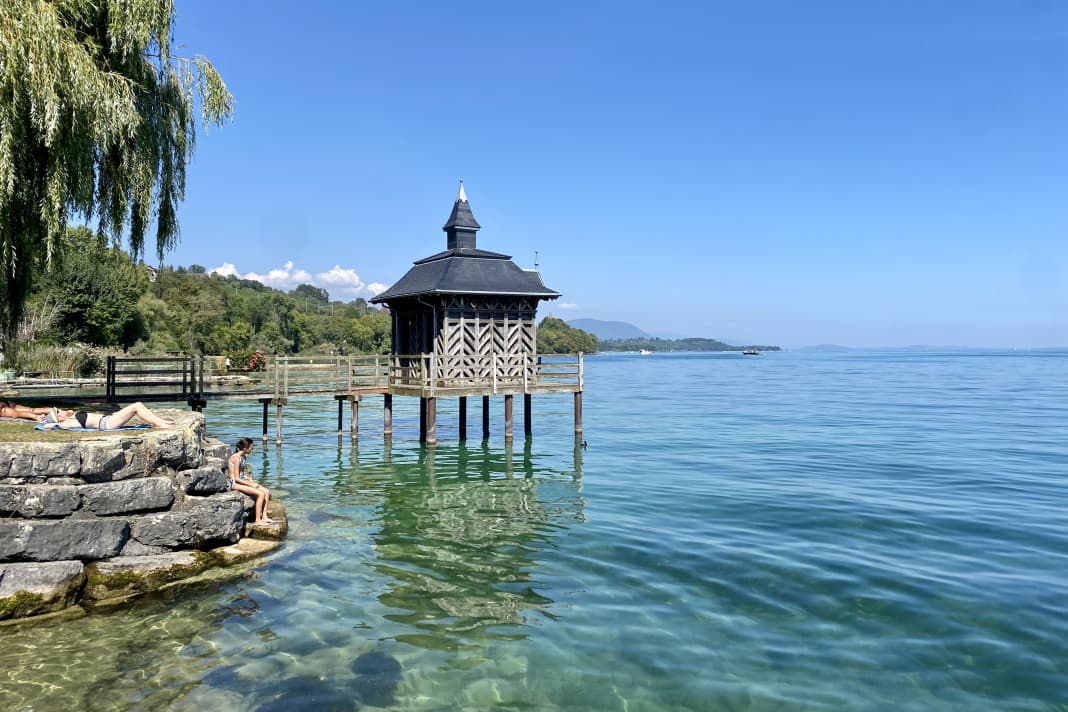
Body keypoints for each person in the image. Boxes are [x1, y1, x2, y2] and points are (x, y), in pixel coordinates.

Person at [38, 401, 174, 430]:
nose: (61, 411)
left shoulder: (71, 415)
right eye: (58, 412)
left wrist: (61, 414)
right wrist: (49, 423)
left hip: (108, 418)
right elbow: (54, 425)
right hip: (107, 424)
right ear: (58, 418)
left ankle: (161, 421)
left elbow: (68, 412)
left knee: (139, 405)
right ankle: (161, 424)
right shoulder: (66, 423)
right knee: (136, 406)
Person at [228, 437, 273, 525]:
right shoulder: (236, 458)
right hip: (235, 483)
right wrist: (250, 484)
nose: (252, 449)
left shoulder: (243, 457)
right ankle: (257, 520)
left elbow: (241, 473)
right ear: (245, 448)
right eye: (251, 447)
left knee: (267, 492)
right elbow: (236, 478)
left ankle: (264, 516)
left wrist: (249, 479)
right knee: (261, 494)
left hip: (241, 480)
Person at [0, 400, 74, 422]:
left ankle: (37, 416)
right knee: (32, 410)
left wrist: (35, 417)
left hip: (4, 406)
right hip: (6, 403)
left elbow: (15, 414)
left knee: (31, 411)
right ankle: (59, 411)